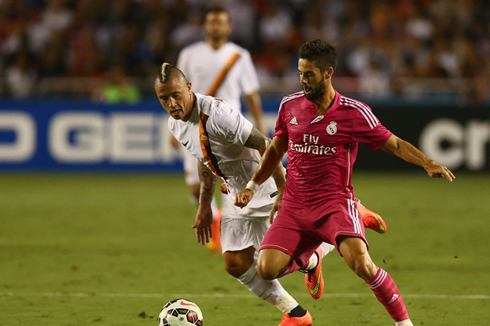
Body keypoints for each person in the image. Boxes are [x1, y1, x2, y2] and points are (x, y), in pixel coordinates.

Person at [235, 39, 455, 326]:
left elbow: (395, 145)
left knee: (362, 265)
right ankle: (313, 259)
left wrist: (428, 163)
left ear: (328, 73)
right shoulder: (289, 105)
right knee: (265, 269)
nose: (303, 81)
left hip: (333, 204)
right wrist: (253, 186)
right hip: (294, 206)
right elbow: (276, 149)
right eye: (300, 73)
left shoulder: (353, 112)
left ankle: (405, 324)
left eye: (309, 74)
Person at [155, 62, 326, 325]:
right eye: (163, 98)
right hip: (235, 194)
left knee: (276, 263)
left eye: (175, 95)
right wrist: (204, 206)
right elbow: (205, 159)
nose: (171, 103)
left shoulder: (217, 114)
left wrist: (282, 190)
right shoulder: (175, 124)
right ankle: (296, 314)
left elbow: (266, 145)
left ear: (188, 88)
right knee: (235, 263)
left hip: (263, 184)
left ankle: (336, 235)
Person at [173, 5, 268, 252]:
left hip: (227, 128)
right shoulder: (189, 54)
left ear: (229, 27)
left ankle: (238, 233)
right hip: (193, 126)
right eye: (212, 22)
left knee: (233, 183)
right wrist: (170, 128)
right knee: (196, 187)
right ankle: (214, 219)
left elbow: (251, 94)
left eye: (220, 22)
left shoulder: (239, 55)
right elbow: (175, 92)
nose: (216, 26)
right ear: (206, 26)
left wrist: (260, 125)